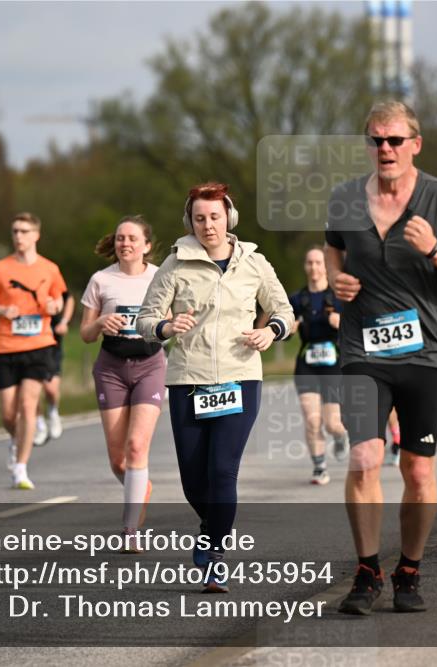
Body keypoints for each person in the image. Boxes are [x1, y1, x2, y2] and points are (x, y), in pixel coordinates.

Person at [325, 101, 437, 615]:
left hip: (425, 352)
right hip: (361, 349)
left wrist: (435, 249)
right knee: (366, 456)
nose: (385, 149)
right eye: (376, 140)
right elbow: (333, 248)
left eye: (394, 140)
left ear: (415, 143)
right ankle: (367, 569)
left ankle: (409, 571)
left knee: (417, 470)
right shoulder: (346, 198)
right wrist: (335, 280)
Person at [137, 182, 294, 592]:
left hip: (241, 378)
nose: (209, 225)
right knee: (194, 479)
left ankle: (215, 553)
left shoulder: (254, 263)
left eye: (215, 217)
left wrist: (271, 331)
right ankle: (212, 524)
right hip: (188, 379)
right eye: (200, 218)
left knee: (222, 470)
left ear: (230, 218)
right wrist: (165, 327)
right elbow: (145, 319)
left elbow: (283, 311)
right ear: (190, 221)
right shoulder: (175, 264)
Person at [81, 216, 164, 543]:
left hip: (150, 365)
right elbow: (86, 334)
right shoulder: (101, 280)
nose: (124, 243)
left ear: (146, 245)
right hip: (111, 368)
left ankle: (130, 530)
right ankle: (140, 484)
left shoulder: (161, 278)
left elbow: (173, 320)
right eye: (119, 238)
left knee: (136, 446)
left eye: (131, 238)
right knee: (119, 460)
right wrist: (101, 321)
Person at [0, 212, 67, 490]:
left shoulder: (49, 268)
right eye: (15, 231)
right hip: (6, 345)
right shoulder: (0, 269)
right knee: (8, 413)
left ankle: (21, 467)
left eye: (25, 231)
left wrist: (55, 308)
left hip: (39, 345)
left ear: (36, 235)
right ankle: (15, 439)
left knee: (28, 406)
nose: (19, 236)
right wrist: (2, 310)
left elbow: (58, 300)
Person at [288, 246, 350, 485]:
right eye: (310, 263)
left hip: (333, 363)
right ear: (306, 267)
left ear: (325, 266)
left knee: (331, 422)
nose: (314, 267)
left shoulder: (338, 297)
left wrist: (340, 322)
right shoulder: (297, 299)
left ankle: (341, 435)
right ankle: (319, 466)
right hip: (307, 364)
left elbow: (354, 325)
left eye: (318, 262)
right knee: (312, 419)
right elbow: (282, 327)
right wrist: (288, 329)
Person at [34, 291, 74, 446]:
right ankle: (39, 425)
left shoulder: (50, 276)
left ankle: (52, 411)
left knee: (51, 389)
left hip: (52, 344)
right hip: (30, 342)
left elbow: (69, 298)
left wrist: (64, 322)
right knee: (32, 390)